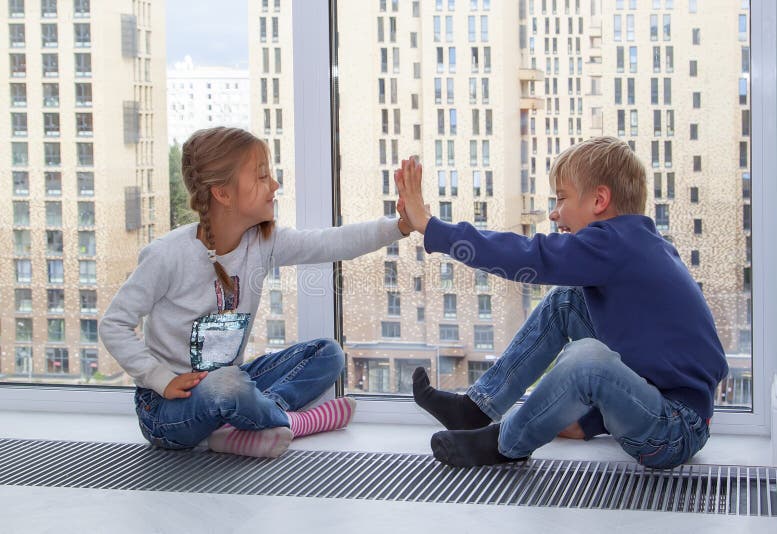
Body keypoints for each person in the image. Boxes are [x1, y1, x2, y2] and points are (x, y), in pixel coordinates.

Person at [394, 136, 728, 468]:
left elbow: (530, 256)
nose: (554, 214)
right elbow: (652, 358)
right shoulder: (638, 244)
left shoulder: (615, 244)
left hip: (675, 430)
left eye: (562, 198)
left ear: (599, 200)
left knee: (587, 358)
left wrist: (431, 227)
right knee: (567, 300)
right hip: (662, 412)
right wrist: (588, 424)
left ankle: (505, 444)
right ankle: (476, 409)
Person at [100, 126, 411, 458]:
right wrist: (160, 378)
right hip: (166, 408)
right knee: (228, 386)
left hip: (229, 383)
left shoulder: (263, 243)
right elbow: (113, 324)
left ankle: (239, 426)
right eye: (262, 177)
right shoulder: (166, 255)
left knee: (327, 353)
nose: (274, 185)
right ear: (223, 194)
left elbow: (330, 242)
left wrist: (401, 226)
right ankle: (294, 422)